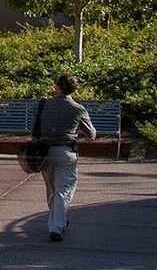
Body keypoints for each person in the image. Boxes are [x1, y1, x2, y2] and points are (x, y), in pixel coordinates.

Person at [36, 72, 96, 242]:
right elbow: (91, 134)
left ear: (57, 87)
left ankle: (58, 220)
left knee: (51, 189)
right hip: (66, 151)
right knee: (65, 189)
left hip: (44, 151)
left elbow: (36, 129)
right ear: (74, 89)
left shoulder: (44, 105)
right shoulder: (78, 109)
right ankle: (56, 226)